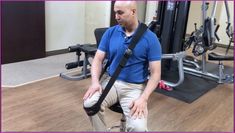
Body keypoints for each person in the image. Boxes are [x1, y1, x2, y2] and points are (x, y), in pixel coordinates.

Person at [83, 1, 161, 131]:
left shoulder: (151, 39)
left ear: (133, 12)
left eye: (120, 12)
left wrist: (144, 98)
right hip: (110, 81)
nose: (116, 16)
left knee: (139, 129)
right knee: (90, 105)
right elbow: (97, 59)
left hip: (134, 87)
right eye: (115, 12)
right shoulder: (110, 32)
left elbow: (156, 74)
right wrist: (95, 82)